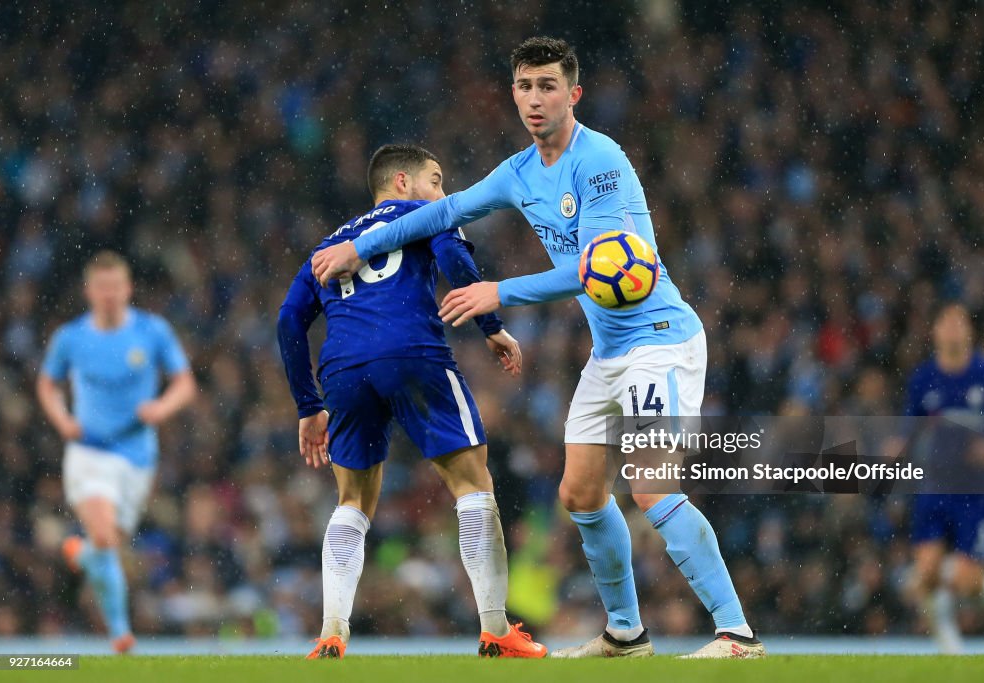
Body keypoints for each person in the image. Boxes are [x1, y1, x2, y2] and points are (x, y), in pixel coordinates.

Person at [309, 38, 763, 659]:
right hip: (609, 354)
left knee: (653, 486)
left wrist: (500, 291)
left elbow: (600, 267)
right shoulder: (519, 172)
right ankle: (626, 634)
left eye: (548, 86)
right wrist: (361, 247)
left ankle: (736, 633)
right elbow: (439, 214)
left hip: (660, 342)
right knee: (579, 494)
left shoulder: (600, 161)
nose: (534, 99)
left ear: (573, 94)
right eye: (525, 86)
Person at [277, 144, 546, 659]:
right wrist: (491, 326)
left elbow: (290, 321)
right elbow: (453, 259)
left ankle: (333, 630)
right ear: (403, 182)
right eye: (437, 180)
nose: (443, 193)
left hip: (344, 367)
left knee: (352, 500)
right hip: (412, 353)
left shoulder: (332, 242)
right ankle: (495, 629)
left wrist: (308, 405)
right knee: (473, 486)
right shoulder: (429, 214)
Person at [37, 251, 196, 653]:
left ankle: (83, 553)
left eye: (116, 287)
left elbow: (184, 383)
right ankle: (121, 635)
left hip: (138, 455)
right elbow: (47, 385)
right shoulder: (70, 338)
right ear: (89, 291)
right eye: (101, 287)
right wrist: (62, 420)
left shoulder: (152, 331)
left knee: (108, 546)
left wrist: (161, 406)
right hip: (88, 452)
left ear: (128, 289)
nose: (109, 295)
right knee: (106, 536)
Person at [901, 303, 984, 653]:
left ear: (969, 332)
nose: (952, 330)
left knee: (965, 580)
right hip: (933, 486)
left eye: (958, 323)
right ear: (935, 332)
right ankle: (952, 654)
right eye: (945, 323)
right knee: (926, 573)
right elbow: (910, 428)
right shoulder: (922, 379)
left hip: (975, 490)